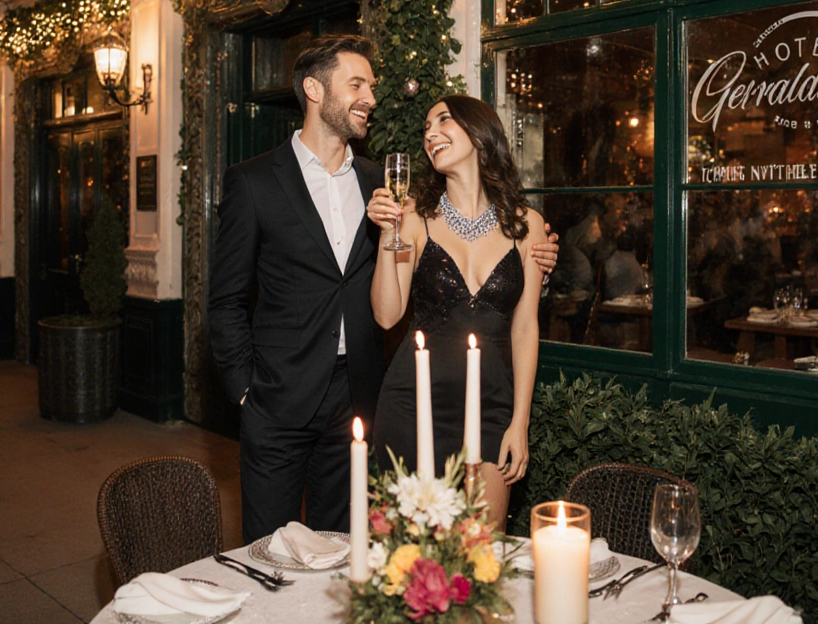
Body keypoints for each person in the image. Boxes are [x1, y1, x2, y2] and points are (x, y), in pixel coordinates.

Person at [209, 37, 558, 544]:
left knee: (345, 549)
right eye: (357, 85)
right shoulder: (255, 181)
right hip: (279, 396)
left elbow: (517, 312)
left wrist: (542, 261)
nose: (371, 98)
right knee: (271, 550)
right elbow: (226, 299)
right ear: (315, 90)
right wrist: (244, 390)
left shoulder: (380, 182)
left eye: (370, 86)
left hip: (358, 397)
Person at [367, 94, 546, 530]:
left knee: (483, 549)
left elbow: (525, 329)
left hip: (492, 407)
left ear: (479, 132)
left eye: (443, 120)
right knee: (414, 553)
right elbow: (387, 315)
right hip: (413, 405)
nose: (430, 134)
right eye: (426, 128)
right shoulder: (414, 218)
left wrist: (520, 423)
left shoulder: (529, 226)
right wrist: (388, 234)